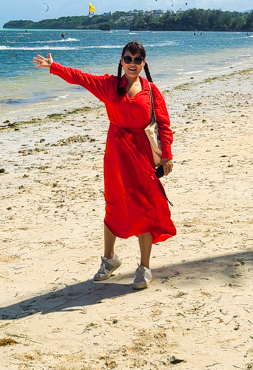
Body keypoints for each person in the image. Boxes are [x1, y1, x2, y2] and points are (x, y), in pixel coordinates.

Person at [33, 41, 175, 290]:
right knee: (115, 203)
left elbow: (163, 124)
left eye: (137, 59)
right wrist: (54, 66)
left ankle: (144, 268)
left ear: (144, 63)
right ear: (121, 61)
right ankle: (109, 260)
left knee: (145, 206)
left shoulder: (152, 91)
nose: (132, 63)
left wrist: (167, 156)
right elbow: (81, 78)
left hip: (141, 153)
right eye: (128, 59)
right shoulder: (110, 85)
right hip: (116, 154)